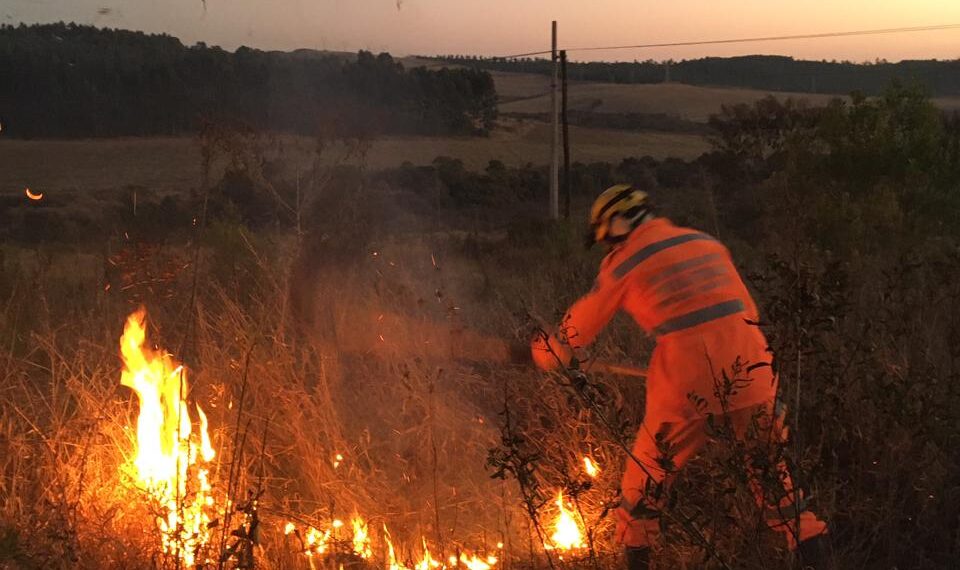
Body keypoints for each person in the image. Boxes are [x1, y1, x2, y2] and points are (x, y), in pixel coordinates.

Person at [530, 185, 828, 569]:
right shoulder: (706, 243)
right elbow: (743, 311)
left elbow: (581, 325)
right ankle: (817, 556)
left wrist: (546, 354)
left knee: (645, 481)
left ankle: (638, 558)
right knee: (774, 479)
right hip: (755, 367)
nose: (608, 247)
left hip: (686, 381)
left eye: (607, 240)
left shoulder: (625, 261)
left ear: (616, 226)